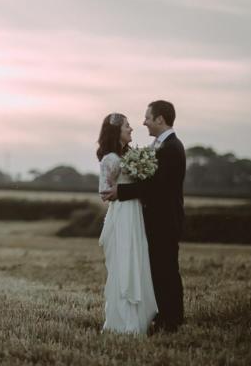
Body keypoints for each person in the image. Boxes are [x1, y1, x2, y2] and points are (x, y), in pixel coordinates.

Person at [102, 100, 185, 333]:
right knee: (158, 271)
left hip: (165, 221)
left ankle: (172, 320)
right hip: (152, 220)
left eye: (147, 117)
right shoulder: (161, 146)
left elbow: (159, 187)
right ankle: (164, 317)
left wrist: (122, 191)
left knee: (166, 271)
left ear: (160, 119)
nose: (143, 122)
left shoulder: (171, 148)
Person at [97, 112, 158, 334]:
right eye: (127, 127)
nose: (131, 130)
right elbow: (104, 192)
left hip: (136, 214)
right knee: (124, 263)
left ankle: (138, 319)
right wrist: (119, 190)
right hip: (122, 214)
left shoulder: (130, 155)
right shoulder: (110, 159)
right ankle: (122, 322)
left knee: (137, 260)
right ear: (116, 132)